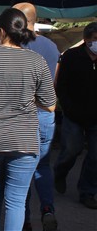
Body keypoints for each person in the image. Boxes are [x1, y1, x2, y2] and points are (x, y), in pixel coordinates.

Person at [0, 8, 56, 231]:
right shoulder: (37, 61)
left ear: (0, 31)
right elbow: (50, 104)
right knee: (16, 199)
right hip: (24, 139)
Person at [13, 2, 60, 231]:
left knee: (20, 168)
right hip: (45, 113)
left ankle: (24, 219)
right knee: (43, 166)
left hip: (21, 115)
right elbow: (54, 83)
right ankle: (48, 208)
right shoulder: (51, 46)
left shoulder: (15, 45)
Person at [53, 21, 97, 210]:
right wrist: (67, 107)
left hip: (95, 117)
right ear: (86, 39)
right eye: (95, 39)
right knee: (71, 149)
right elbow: (61, 85)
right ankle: (60, 172)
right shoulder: (71, 56)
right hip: (73, 114)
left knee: (95, 156)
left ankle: (87, 192)